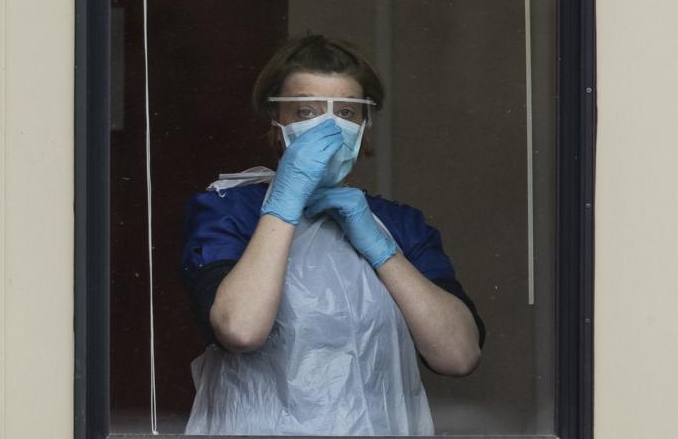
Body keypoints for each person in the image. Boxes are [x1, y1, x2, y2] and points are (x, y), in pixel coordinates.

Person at [179, 35, 484, 436]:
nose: (327, 125)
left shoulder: (400, 225)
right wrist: (285, 201)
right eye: (305, 110)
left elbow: (458, 356)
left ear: (364, 125)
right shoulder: (228, 211)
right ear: (277, 122)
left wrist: (382, 251)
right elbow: (241, 328)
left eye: (345, 111)